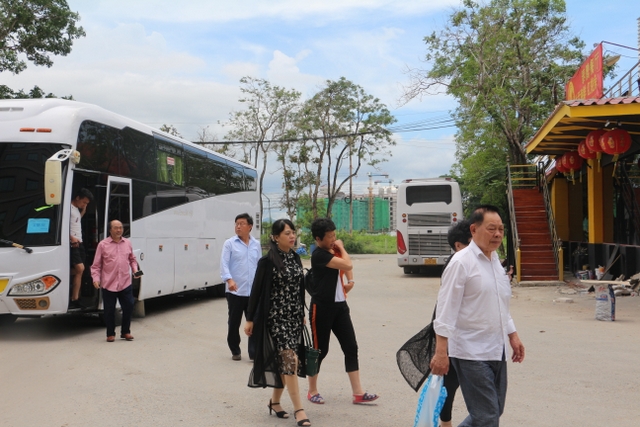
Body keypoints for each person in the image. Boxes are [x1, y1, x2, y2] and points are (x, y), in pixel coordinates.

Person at [431, 205, 525, 427]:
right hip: (470, 350)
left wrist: (513, 335)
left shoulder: (495, 261)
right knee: (487, 416)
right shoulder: (461, 262)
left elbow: (500, 304)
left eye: (501, 229)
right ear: (474, 229)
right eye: (491, 229)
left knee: (493, 410)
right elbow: (445, 309)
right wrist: (441, 352)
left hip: (496, 348)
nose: (498, 234)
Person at [244, 219, 311, 427]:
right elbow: (256, 291)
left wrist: (301, 312)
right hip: (276, 318)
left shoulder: (295, 258)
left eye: (293, 232)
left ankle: (274, 402)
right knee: (290, 360)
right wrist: (249, 319)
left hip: (293, 318)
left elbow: (299, 288)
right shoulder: (267, 261)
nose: (292, 236)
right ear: (275, 237)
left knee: (286, 362)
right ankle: (299, 410)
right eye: (287, 233)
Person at [307, 217, 378, 405]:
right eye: (329, 236)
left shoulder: (333, 250)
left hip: (340, 307)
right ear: (318, 239)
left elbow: (346, 268)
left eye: (334, 235)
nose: (333, 239)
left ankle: (358, 393)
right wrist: (341, 248)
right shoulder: (319, 255)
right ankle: (312, 390)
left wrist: (350, 281)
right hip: (321, 308)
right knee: (319, 350)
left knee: (351, 347)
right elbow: (347, 264)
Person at [440, 219, 472, 427]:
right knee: (449, 386)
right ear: (459, 245)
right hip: (454, 336)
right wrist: (441, 348)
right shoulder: (456, 265)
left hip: (471, 338)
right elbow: (444, 308)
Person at [91, 220, 140, 343]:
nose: (119, 230)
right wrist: (96, 278)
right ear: (110, 230)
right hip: (109, 283)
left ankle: (125, 332)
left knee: (129, 306)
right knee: (109, 310)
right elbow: (96, 265)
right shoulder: (103, 245)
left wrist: (136, 271)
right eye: (116, 228)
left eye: (120, 227)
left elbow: (132, 259)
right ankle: (110, 334)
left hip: (125, 282)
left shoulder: (127, 243)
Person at [220, 213, 261, 361]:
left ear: (250, 226)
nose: (238, 226)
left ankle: (253, 352)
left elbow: (259, 266)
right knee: (234, 322)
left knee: (254, 322)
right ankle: (235, 350)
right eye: (236, 223)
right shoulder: (229, 244)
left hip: (253, 292)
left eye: (242, 223)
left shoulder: (256, 244)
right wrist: (229, 280)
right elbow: (224, 264)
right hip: (235, 291)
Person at [69, 188, 94, 309]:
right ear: (77, 197)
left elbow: (76, 221)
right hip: (73, 243)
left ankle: (77, 297)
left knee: (81, 270)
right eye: (84, 202)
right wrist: (71, 238)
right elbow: (62, 226)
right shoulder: (68, 208)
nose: (84, 205)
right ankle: (74, 298)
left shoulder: (76, 210)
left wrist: (83, 211)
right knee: (80, 268)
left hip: (80, 243)